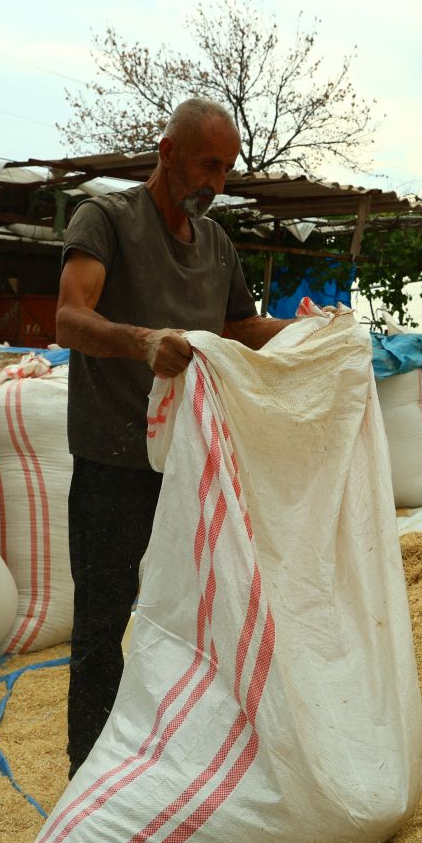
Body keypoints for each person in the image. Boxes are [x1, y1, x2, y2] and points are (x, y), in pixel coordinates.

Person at [54, 97, 292, 777]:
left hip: (194, 463)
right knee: (102, 627)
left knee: (200, 622)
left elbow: (240, 328)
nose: (215, 183)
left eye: (226, 169)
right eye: (206, 164)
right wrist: (143, 340)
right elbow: (71, 319)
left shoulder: (216, 244)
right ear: (167, 153)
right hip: (115, 460)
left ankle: (175, 766)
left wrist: (314, 330)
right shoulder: (106, 221)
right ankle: (89, 778)